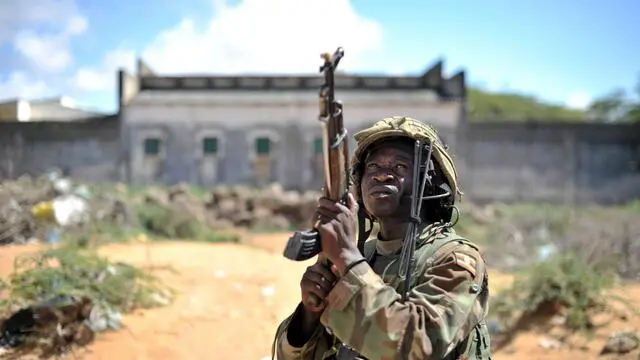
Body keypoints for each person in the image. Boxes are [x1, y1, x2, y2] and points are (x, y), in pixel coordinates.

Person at [272, 116, 491, 360]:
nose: (382, 175)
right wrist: (309, 316)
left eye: (400, 167)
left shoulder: (454, 259)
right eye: (373, 167)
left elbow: (419, 347)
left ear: (430, 185)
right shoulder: (362, 257)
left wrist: (347, 257)